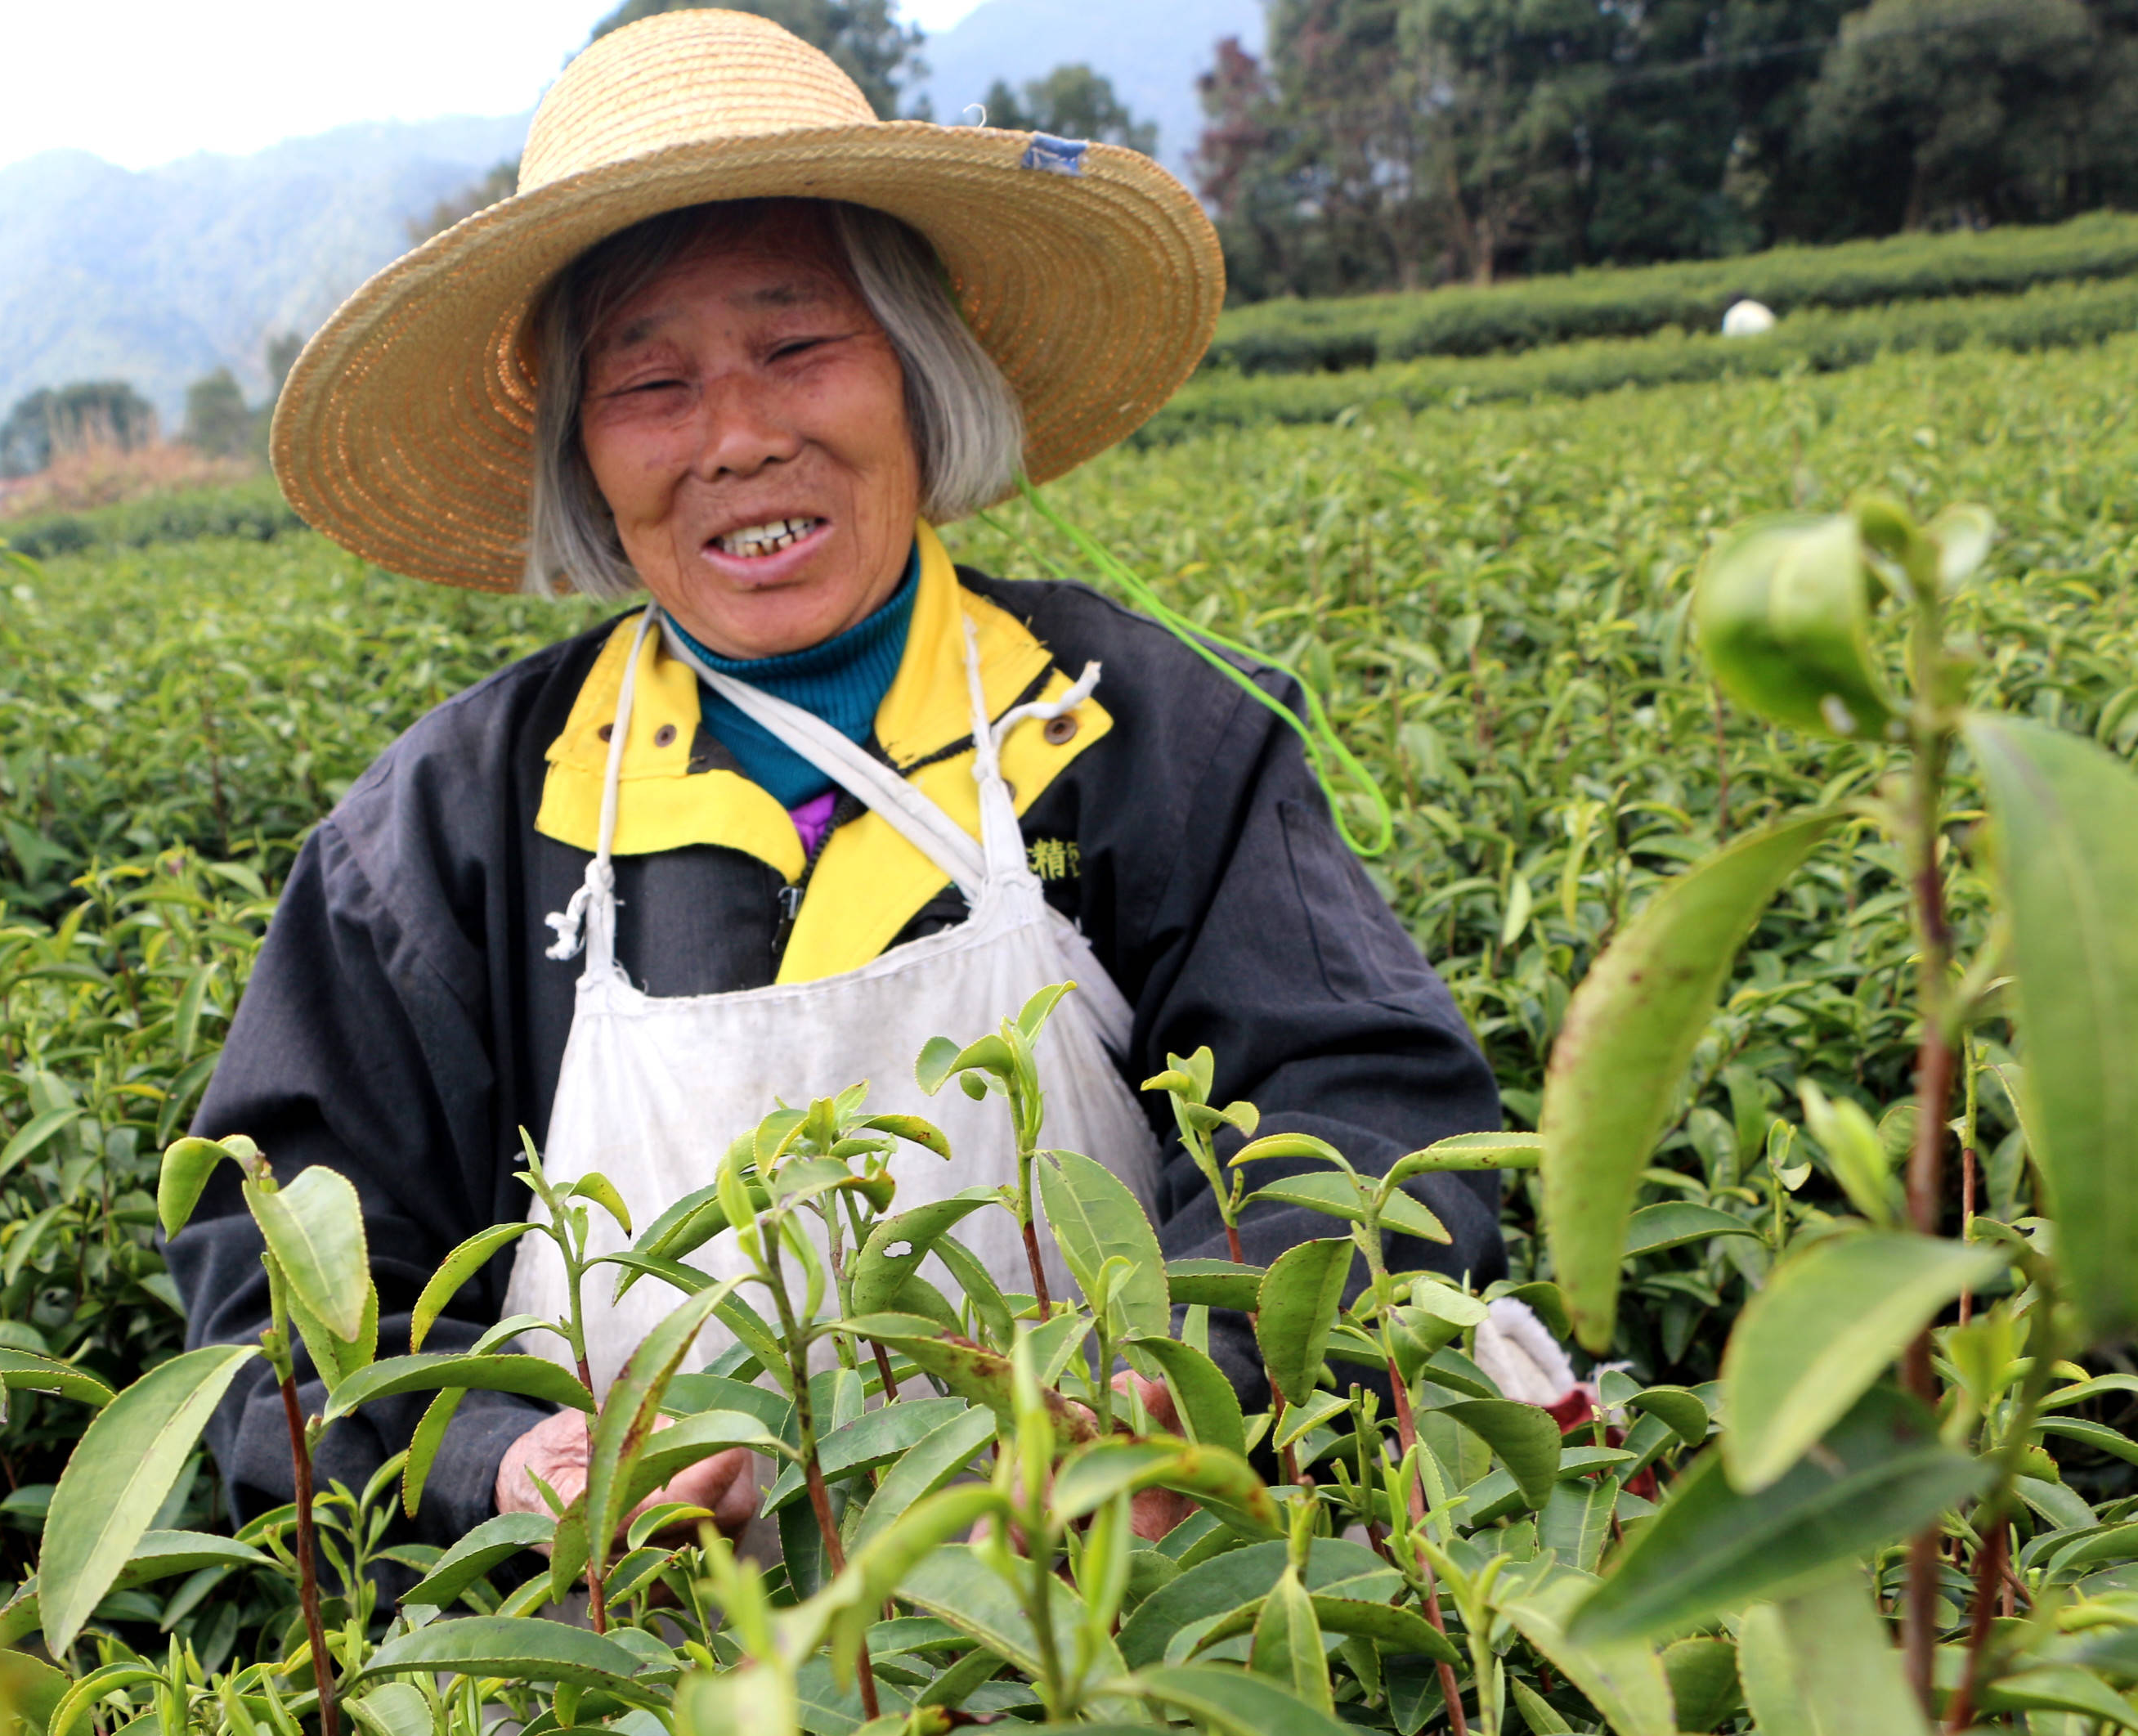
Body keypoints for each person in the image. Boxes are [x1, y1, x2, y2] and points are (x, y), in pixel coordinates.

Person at [166, 10, 1500, 1558]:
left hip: (1131, 1627)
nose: (736, 438)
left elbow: (1370, 1119)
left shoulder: (1130, 731)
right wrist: (500, 1462)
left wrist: (1173, 1378)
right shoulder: (449, 829)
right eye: (649, 385)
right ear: (582, 457)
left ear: (918, 374)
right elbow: (272, 1308)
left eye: (798, 347)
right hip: (623, 1714)